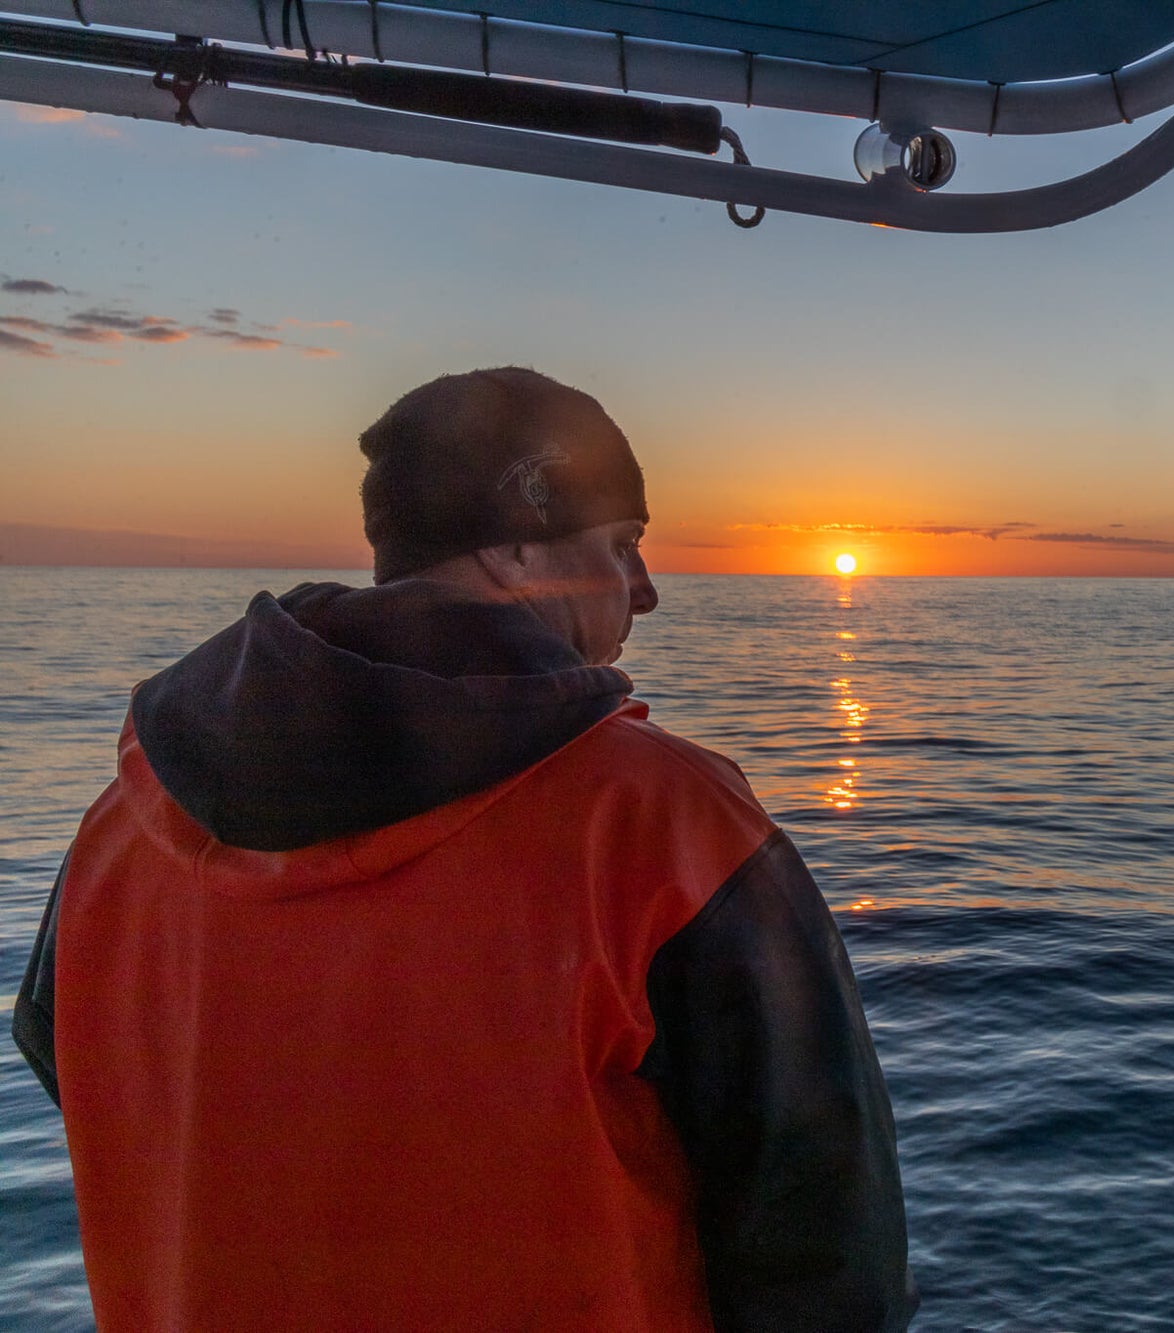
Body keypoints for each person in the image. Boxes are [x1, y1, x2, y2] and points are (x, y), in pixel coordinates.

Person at [11, 367, 917, 1332]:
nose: (646, 592)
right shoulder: (666, 825)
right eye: (623, 546)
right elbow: (824, 1236)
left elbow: (75, 1065)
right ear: (520, 547)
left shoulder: (125, 823)